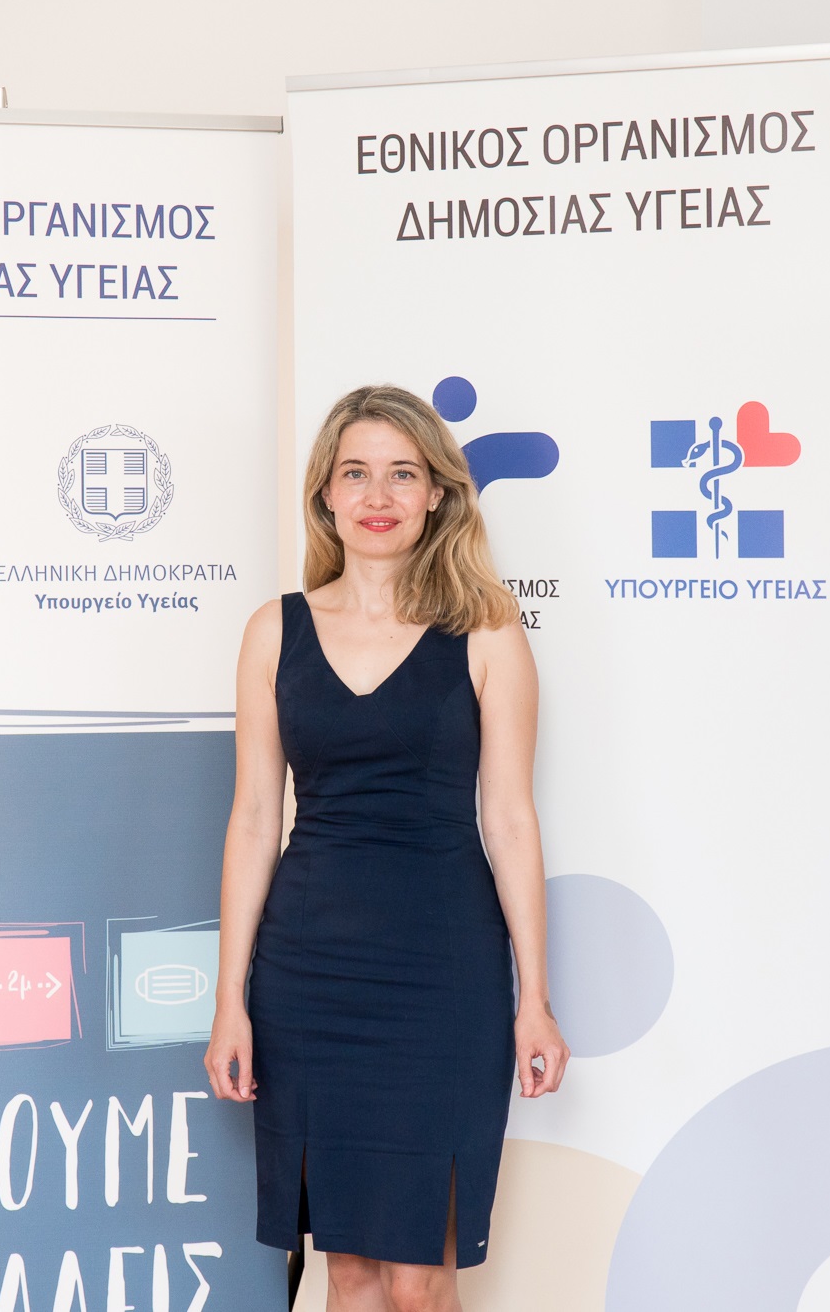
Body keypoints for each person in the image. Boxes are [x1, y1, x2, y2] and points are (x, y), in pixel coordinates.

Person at [204, 385, 569, 1311]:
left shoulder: (487, 631)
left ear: (438, 493)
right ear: (325, 493)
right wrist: (229, 1000)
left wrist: (534, 999)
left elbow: (510, 819)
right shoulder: (273, 630)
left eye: (403, 473)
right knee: (352, 1271)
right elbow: (254, 818)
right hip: (308, 976)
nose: (378, 495)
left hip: (444, 976)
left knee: (419, 1278)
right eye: (356, 473)